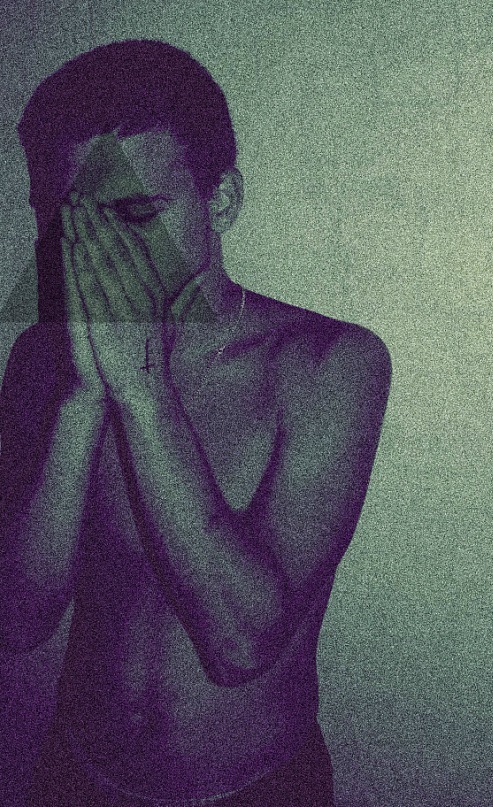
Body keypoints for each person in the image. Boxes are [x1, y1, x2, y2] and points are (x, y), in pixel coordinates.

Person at [0, 39, 392, 806]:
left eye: (138, 214)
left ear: (221, 200)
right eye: (72, 220)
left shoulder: (327, 365)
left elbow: (240, 643)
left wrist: (143, 392)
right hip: (75, 774)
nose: (102, 254)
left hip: (254, 785)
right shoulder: (40, 360)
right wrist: (83, 396)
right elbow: (18, 619)